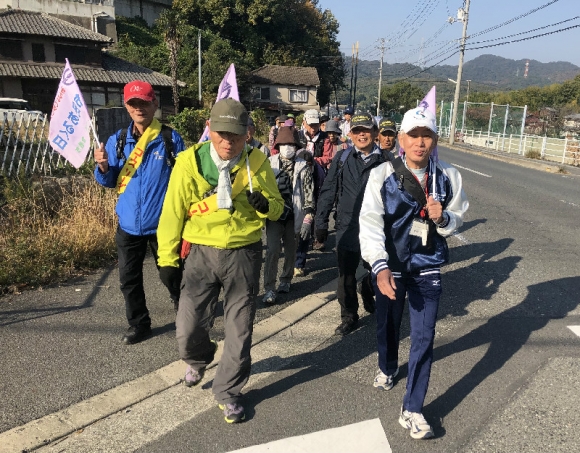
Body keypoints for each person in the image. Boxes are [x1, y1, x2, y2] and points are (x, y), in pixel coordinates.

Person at [156, 98, 283, 424]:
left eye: (237, 136)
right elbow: (173, 210)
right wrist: (167, 258)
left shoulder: (257, 161)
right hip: (200, 252)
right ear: (209, 129)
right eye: (222, 134)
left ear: (248, 134)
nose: (229, 142)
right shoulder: (189, 162)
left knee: (239, 330)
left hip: (244, 252)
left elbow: (279, 206)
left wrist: (265, 205)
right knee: (187, 328)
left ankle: (228, 392)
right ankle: (198, 358)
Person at [359, 106, 469, 439]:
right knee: (388, 324)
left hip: (427, 265)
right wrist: (379, 267)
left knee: (424, 337)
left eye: (427, 136)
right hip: (389, 267)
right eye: (414, 136)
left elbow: (458, 218)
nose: (420, 143)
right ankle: (388, 366)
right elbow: (370, 223)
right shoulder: (382, 174)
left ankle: (413, 408)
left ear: (434, 140)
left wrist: (443, 218)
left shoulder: (449, 176)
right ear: (402, 140)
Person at [93, 80, 185, 345]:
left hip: (163, 224)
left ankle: (185, 311)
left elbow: (185, 178)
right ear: (126, 106)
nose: (139, 108)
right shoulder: (118, 140)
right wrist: (102, 168)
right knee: (128, 280)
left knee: (172, 273)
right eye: (134, 104)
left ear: (154, 104)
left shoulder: (169, 138)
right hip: (129, 224)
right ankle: (139, 324)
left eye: (144, 102)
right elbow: (109, 182)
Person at [315, 112, 388, 336]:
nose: (361, 135)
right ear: (351, 134)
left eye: (366, 130)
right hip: (346, 225)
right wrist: (320, 221)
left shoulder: (387, 161)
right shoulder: (343, 158)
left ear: (375, 133)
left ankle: (367, 289)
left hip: (376, 228)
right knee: (345, 275)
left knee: (377, 271)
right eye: (356, 131)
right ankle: (349, 315)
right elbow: (328, 190)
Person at [262, 127, 314, 304]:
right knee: (272, 250)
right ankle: (269, 287)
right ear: (278, 145)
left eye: (291, 144)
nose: (287, 147)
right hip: (274, 214)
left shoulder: (303, 167)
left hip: (294, 215)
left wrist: (308, 218)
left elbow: (309, 195)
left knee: (291, 250)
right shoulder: (269, 163)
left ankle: (286, 279)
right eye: (284, 144)